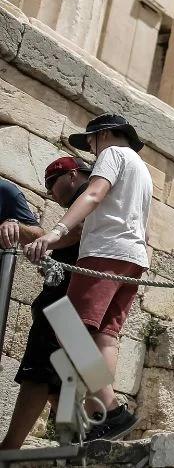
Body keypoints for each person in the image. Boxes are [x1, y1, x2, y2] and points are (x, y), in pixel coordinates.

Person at [24, 114, 152, 440]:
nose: (93, 151)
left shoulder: (112, 155)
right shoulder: (142, 168)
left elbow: (94, 194)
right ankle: (103, 417)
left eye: (92, 142)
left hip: (104, 253)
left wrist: (55, 233)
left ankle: (110, 410)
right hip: (134, 258)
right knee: (105, 337)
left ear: (105, 135)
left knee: (68, 328)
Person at [1, 170, 50, 450]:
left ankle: (100, 419)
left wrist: (14, 225)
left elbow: (38, 234)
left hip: (68, 302)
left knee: (52, 369)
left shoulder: (5, 192)